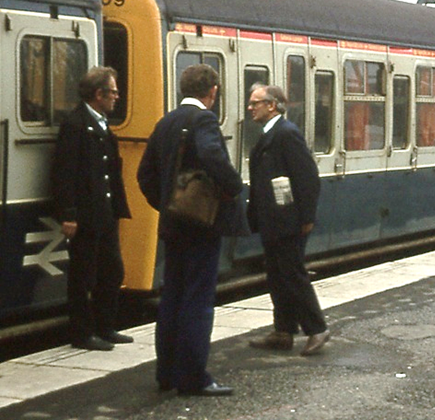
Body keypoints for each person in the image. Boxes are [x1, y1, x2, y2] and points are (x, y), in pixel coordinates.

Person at [137, 64, 245, 396]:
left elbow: (145, 175)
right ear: (211, 91)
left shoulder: (166, 122)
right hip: (201, 226)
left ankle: (166, 373)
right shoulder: (204, 119)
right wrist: (234, 186)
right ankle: (193, 377)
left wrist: (169, 205)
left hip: (173, 225)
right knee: (198, 300)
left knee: (172, 297)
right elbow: (214, 156)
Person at [51, 66, 133, 351]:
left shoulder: (100, 123)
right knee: (83, 275)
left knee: (112, 271)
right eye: (112, 92)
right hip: (85, 214)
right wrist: (69, 214)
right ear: (98, 94)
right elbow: (65, 172)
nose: (116, 97)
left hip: (105, 212)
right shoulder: (75, 125)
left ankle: (105, 326)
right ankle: (81, 333)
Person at [246, 84, 331, 356]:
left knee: (293, 275)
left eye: (255, 102)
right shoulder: (271, 134)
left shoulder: (287, 134)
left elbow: (308, 179)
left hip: (287, 220)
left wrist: (306, 218)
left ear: (272, 105)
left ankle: (316, 329)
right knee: (277, 275)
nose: (250, 107)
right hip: (273, 218)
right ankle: (283, 331)